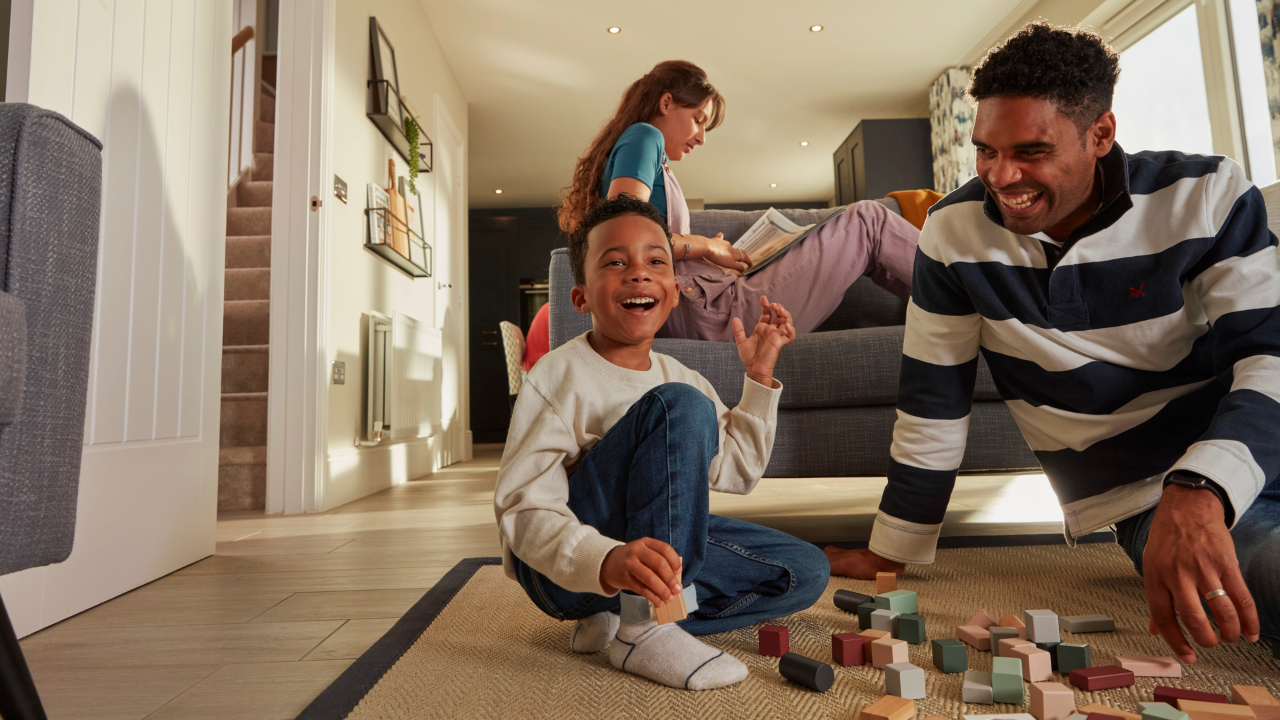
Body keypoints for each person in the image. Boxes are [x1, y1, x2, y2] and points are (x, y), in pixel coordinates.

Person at [825, 21, 1280, 664]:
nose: (1000, 176)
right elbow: (933, 406)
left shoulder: (1205, 194)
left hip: (1247, 448)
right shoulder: (952, 236)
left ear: (1101, 135)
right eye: (986, 150)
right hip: (1149, 494)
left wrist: (1203, 485)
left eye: (1031, 151)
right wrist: (891, 547)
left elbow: (1270, 357)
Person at [494, 195, 829, 690]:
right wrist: (605, 560)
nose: (639, 273)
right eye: (615, 262)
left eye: (656, 261)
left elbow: (737, 473)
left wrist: (758, 377)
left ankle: (626, 620)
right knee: (678, 404)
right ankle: (646, 626)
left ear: (673, 291)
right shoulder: (558, 376)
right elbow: (523, 509)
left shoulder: (684, 377)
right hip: (561, 571)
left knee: (805, 570)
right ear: (581, 296)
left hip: (641, 566)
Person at [558, 60, 921, 343]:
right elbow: (624, 239)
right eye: (698, 119)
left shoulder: (647, 151)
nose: (701, 137)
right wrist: (706, 247)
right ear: (666, 102)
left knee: (871, 244)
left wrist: (712, 257)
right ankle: (970, 290)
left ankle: (946, 312)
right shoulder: (644, 136)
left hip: (700, 306)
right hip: (705, 312)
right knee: (868, 221)